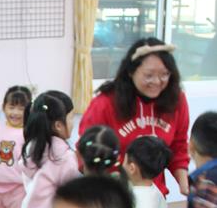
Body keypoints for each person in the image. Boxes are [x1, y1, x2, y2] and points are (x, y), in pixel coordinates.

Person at [80, 38, 190, 196]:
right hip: (113, 194)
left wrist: (185, 186)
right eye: (149, 75)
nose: (157, 81)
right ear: (131, 72)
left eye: (164, 75)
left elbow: (178, 147)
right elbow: (87, 150)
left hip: (152, 194)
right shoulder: (105, 103)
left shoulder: (176, 100)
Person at [122, 135, 172, 208]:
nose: (122, 165)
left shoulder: (132, 201)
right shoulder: (157, 193)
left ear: (132, 168)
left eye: (124, 161)